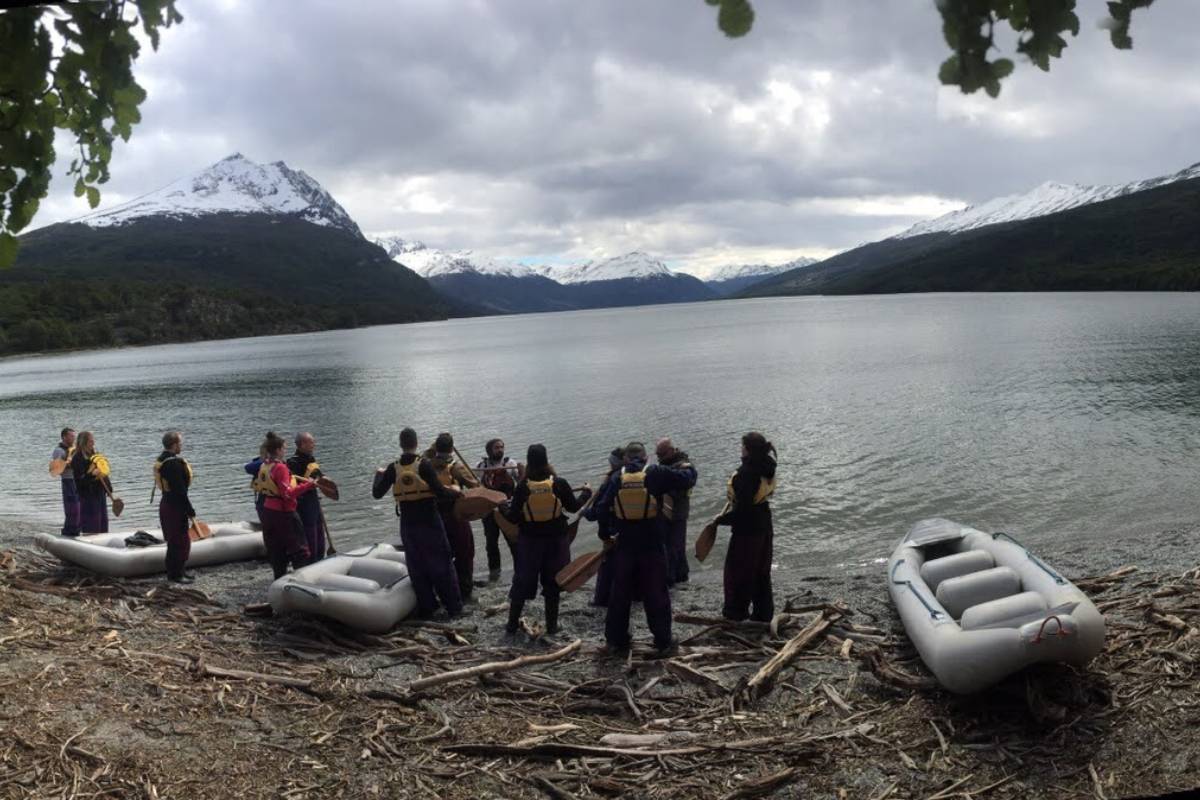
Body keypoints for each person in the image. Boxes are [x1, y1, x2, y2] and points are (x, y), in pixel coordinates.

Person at [593, 441, 697, 654]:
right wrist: (688, 467)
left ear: (625, 459)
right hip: (652, 544)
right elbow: (688, 480)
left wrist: (605, 534)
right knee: (656, 592)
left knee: (620, 594)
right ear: (646, 457)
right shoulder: (656, 473)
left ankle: (616, 640)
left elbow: (601, 509)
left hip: (625, 545)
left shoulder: (616, 478)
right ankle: (663, 640)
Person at [373, 427, 464, 618]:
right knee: (442, 564)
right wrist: (456, 491)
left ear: (401, 444)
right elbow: (440, 492)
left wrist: (379, 475)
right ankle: (454, 608)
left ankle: (428, 607)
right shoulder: (423, 465)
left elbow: (377, 493)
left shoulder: (393, 468)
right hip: (429, 521)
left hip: (408, 524)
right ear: (416, 443)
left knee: (417, 566)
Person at [502, 444, 591, 636]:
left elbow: (513, 518)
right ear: (546, 459)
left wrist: (502, 506)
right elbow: (574, 507)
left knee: (522, 582)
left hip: (530, 542)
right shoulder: (559, 483)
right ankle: (552, 627)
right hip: (556, 542)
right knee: (552, 583)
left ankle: (510, 626)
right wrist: (586, 493)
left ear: (528, 461)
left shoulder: (523, 487)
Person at [714, 432, 778, 622]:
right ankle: (763, 613)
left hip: (748, 531)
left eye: (742, 446)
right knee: (761, 571)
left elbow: (743, 511)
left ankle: (735, 613)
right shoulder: (767, 466)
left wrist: (721, 520)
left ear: (747, 449)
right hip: (764, 524)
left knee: (738, 572)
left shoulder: (746, 474)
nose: (740, 449)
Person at [424, 433, 480, 600]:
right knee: (465, 553)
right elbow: (474, 485)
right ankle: (465, 592)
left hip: (433, 518)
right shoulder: (455, 467)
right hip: (455, 517)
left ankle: (444, 591)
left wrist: (431, 449)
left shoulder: (425, 466)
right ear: (451, 448)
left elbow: (424, 455)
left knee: (441, 555)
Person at [255, 431, 316, 578]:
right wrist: (308, 485)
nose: (285, 451)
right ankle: (301, 581)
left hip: (267, 511)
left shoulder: (265, 465)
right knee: (299, 550)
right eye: (284, 448)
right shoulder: (280, 467)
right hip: (283, 513)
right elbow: (287, 493)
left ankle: (279, 580)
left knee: (276, 549)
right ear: (277, 450)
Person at [582, 446, 625, 607]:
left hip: (613, 529)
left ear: (614, 463)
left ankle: (601, 599)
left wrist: (586, 513)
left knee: (607, 565)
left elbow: (600, 509)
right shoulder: (639, 475)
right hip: (632, 529)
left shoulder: (613, 479)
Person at [476, 438, 523, 581]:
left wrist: (523, 473)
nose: (500, 450)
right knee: (491, 544)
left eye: (502, 447)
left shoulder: (510, 464)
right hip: (489, 511)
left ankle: (520, 573)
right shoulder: (481, 466)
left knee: (514, 542)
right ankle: (494, 575)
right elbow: (475, 487)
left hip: (507, 509)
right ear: (489, 450)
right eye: (497, 447)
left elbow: (521, 485)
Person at [155, 431, 197, 583]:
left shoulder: (163, 459)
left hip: (167, 503)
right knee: (178, 541)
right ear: (173, 445)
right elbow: (180, 490)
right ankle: (175, 575)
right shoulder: (173, 464)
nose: (181, 446)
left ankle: (179, 571)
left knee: (177, 540)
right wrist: (189, 508)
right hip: (175, 506)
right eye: (180, 443)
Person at [656, 438, 698, 585]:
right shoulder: (664, 466)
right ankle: (679, 576)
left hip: (678, 511)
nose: (659, 457)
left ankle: (674, 577)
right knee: (670, 546)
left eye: (661, 454)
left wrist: (662, 477)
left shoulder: (684, 466)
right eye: (657, 454)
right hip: (665, 511)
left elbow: (686, 482)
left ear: (671, 451)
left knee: (675, 546)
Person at [288, 432, 326, 561]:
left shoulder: (311, 459)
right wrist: (308, 484)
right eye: (311, 442)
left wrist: (325, 482)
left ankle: (320, 560)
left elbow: (319, 476)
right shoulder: (293, 462)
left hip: (314, 501)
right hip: (304, 504)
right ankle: (310, 562)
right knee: (310, 537)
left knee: (320, 535)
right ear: (302, 444)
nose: (313, 444)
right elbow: (293, 485)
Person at [70, 431, 114, 534]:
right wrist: (91, 474)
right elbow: (79, 482)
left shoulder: (96, 455)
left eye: (93, 441)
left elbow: (104, 472)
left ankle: (104, 544)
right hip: (87, 496)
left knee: (103, 522)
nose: (93, 443)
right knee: (91, 524)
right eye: (90, 441)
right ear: (84, 442)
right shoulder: (77, 458)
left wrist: (109, 487)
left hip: (99, 493)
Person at [50, 427, 81, 537]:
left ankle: (77, 530)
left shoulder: (75, 449)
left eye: (74, 436)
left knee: (79, 507)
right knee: (72, 508)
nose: (74, 438)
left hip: (77, 480)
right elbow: (56, 470)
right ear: (64, 437)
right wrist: (69, 463)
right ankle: (68, 531)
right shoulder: (59, 450)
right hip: (68, 481)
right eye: (71, 436)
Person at [244, 447, 268, 526]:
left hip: (267, 497)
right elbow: (248, 468)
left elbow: (248, 467)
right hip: (263, 496)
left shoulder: (265, 464)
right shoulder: (261, 464)